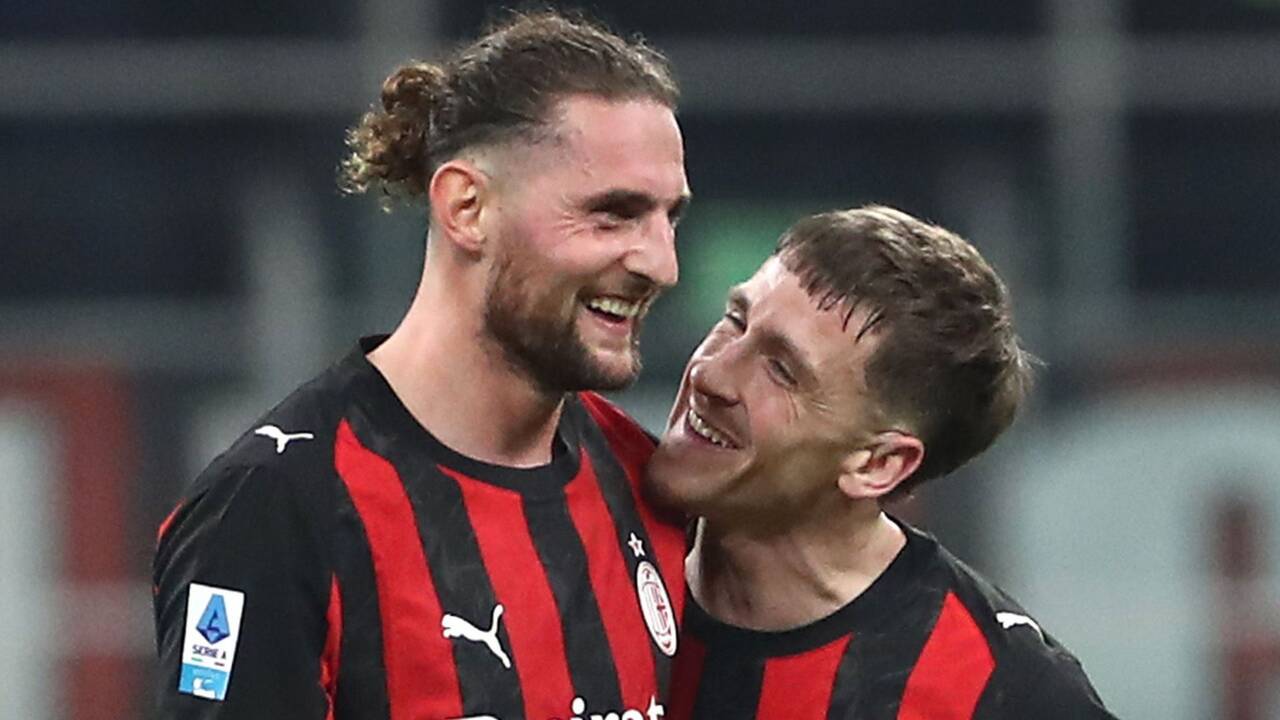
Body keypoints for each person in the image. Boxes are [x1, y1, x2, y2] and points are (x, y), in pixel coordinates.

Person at [152, 10, 691, 720]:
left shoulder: (647, 482)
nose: (661, 264)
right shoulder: (277, 509)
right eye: (613, 214)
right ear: (467, 207)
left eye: (669, 218)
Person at [645, 206, 1118, 719]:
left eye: (781, 370)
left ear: (878, 464)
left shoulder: (1004, 694)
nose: (710, 374)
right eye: (735, 320)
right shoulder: (595, 543)